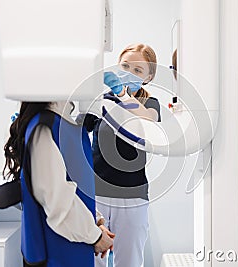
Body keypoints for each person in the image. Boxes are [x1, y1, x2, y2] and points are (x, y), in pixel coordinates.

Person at [3, 101, 115, 267]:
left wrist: (96, 222)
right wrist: (95, 236)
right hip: (58, 253)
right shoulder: (44, 127)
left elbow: (77, 188)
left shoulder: (66, 124)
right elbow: (58, 203)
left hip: (75, 248)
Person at [81, 43, 161, 267]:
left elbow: (147, 123)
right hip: (96, 196)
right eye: (125, 66)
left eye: (137, 70)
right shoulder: (102, 101)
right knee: (93, 262)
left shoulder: (150, 104)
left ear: (148, 77)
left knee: (130, 263)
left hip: (132, 198)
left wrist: (123, 94)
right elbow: (74, 128)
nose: (128, 73)